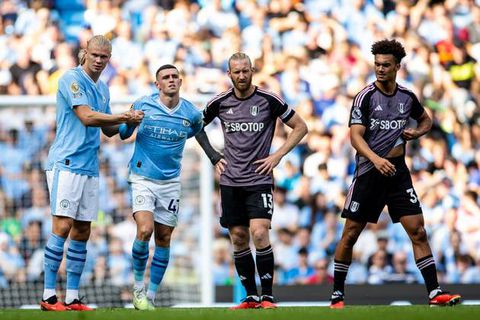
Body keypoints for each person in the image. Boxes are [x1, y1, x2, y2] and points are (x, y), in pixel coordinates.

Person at [329, 39, 461, 308]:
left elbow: (426, 119)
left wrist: (417, 131)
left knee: (419, 231)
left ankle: (435, 293)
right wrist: (376, 160)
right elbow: (355, 137)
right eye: (377, 64)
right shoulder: (365, 97)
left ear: (397, 66)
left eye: (386, 65)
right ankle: (337, 295)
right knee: (351, 233)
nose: (380, 69)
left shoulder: (407, 97)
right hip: (369, 171)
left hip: (398, 172)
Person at [198, 52, 308, 309]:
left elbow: (301, 126)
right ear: (229, 74)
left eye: (245, 70)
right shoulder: (220, 102)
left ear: (252, 71)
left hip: (259, 179)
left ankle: (267, 296)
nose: (242, 76)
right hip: (230, 181)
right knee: (237, 237)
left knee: (259, 233)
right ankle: (250, 296)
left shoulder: (269, 99)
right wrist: (214, 156)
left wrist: (278, 155)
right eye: (236, 72)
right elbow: (195, 126)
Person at [41, 35, 143, 311]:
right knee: (62, 226)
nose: (99, 60)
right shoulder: (70, 79)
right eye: (95, 55)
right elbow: (87, 117)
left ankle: (72, 297)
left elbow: (110, 130)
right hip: (67, 162)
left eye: (104, 57)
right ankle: (49, 295)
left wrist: (132, 123)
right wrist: (123, 117)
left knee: (83, 230)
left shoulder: (104, 89)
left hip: (89, 166)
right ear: (84, 53)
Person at [119, 64, 203, 310]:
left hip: (170, 182)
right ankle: (138, 289)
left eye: (175, 76)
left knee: (164, 238)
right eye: (165, 77)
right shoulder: (143, 104)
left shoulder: (191, 113)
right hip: (142, 177)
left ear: (180, 80)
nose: (171, 80)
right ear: (157, 84)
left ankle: (151, 297)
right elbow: (123, 134)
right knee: (145, 230)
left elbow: (194, 131)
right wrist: (130, 122)